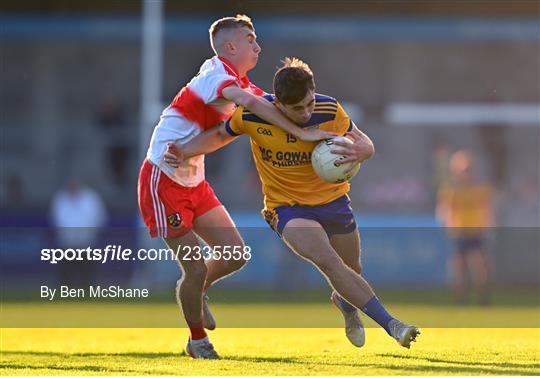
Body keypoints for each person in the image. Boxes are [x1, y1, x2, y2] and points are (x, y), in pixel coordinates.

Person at [165, 57, 420, 349]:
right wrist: (183, 149)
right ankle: (393, 326)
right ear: (278, 105)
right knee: (329, 262)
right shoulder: (253, 115)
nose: (306, 112)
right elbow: (222, 134)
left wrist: (364, 151)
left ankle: (345, 304)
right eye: (297, 108)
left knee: (352, 268)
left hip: (334, 201)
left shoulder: (329, 109)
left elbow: (365, 143)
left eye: (309, 103)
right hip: (286, 207)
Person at [137, 15, 335, 360]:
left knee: (235, 255)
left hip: (193, 180)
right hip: (162, 179)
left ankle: (195, 293)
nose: (257, 46)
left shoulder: (237, 80)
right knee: (195, 268)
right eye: (250, 39)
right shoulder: (217, 77)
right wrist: (304, 134)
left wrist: (323, 118)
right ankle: (197, 341)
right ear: (230, 47)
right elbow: (256, 105)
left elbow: (272, 104)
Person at [437, 150, 493, 305]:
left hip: (475, 231)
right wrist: (448, 224)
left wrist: (488, 224)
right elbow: (445, 209)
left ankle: (483, 298)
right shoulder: (451, 189)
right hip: (459, 231)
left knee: (479, 266)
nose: (465, 174)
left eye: (468, 170)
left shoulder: (480, 188)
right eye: (462, 170)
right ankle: (459, 299)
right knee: (458, 268)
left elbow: (487, 208)